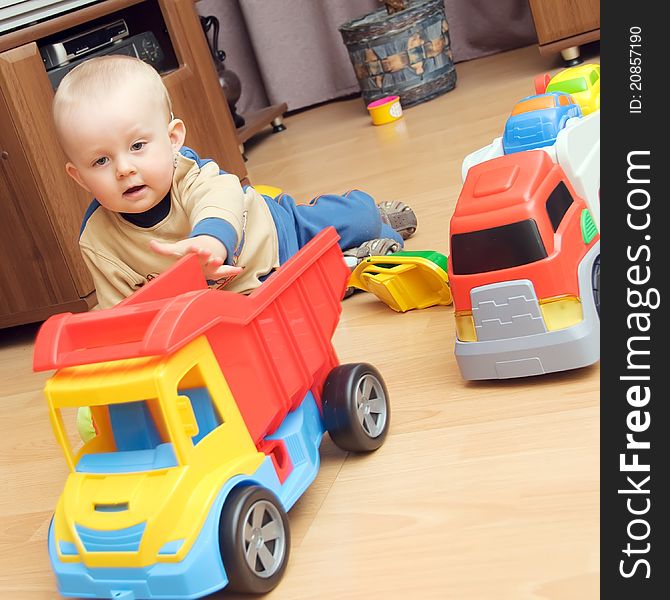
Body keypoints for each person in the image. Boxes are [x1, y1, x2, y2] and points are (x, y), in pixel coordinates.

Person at [52, 55, 417, 309]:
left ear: (173, 139)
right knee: (306, 297)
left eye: (137, 146)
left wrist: (210, 240)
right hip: (243, 295)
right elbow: (121, 313)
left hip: (276, 230)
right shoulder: (98, 240)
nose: (123, 169)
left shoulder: (189, 174)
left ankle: (374, 217)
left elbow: (220, 198)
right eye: (100, 160)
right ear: (79, 177)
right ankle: (355, 261)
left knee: (358, 221)